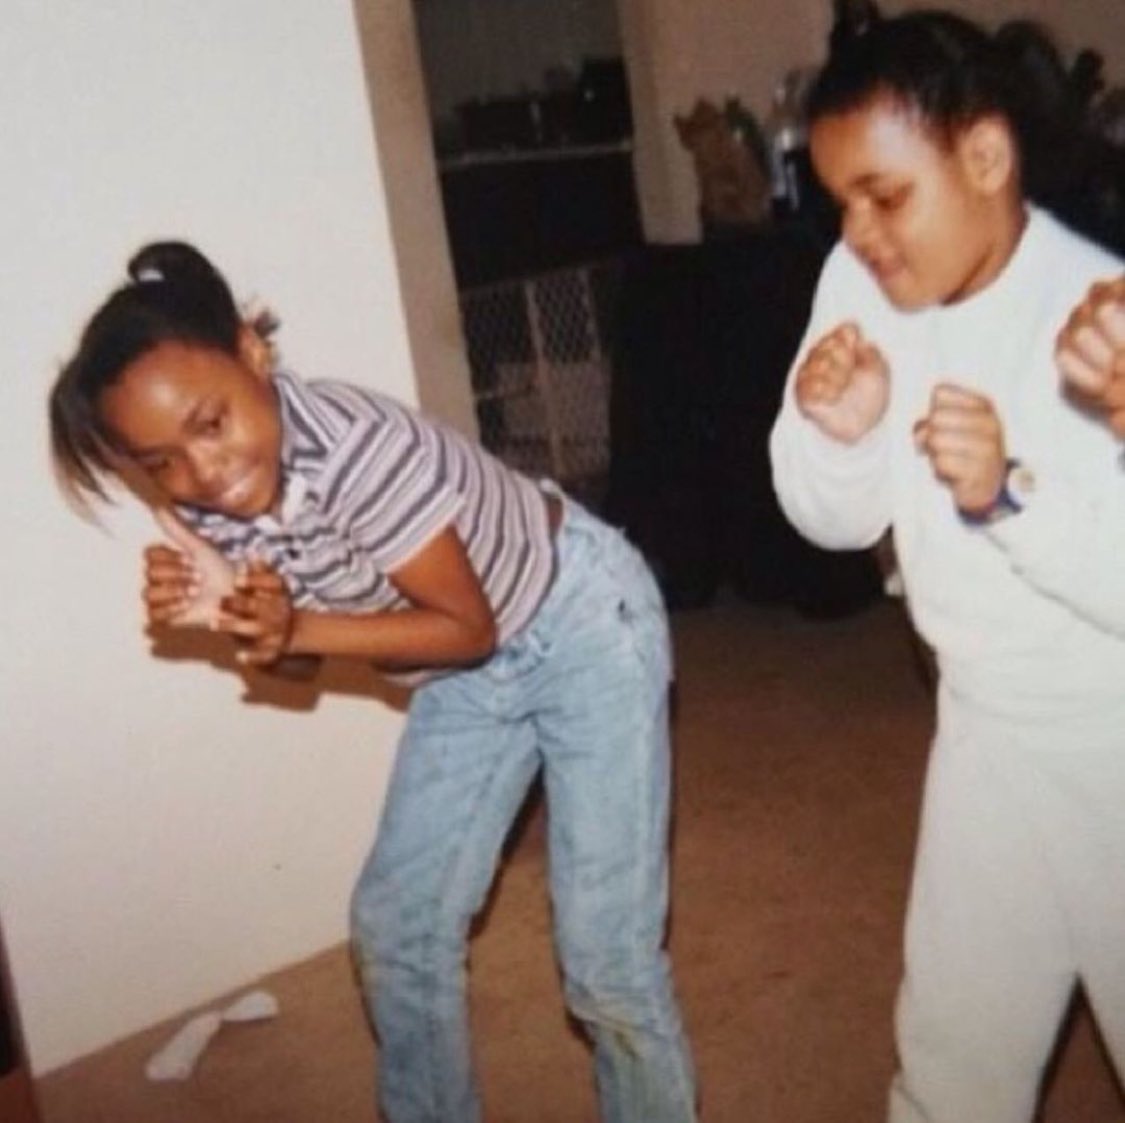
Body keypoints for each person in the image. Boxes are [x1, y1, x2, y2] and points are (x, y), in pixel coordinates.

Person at [47, 241, 697, 1123]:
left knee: (606, 958)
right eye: (160, 461)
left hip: (582, 620)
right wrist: (242, 612)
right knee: (397, 925)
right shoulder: (212, 505)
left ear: (253, 355)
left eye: (210, 423)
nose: (203, 473)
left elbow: (468, 625)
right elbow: (300, 658)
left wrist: (292, 621)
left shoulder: (358, 449)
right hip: (466, 670)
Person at [768, 12, 1125, 1123]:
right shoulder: (862, 281)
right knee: (954, 1054)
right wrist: (844, 433)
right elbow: (828, 521)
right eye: (840, 203)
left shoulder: (1101, 315)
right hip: (981, 728)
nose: (863, 232)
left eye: (886, 195)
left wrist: (1007, 495)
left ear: (984, 156)